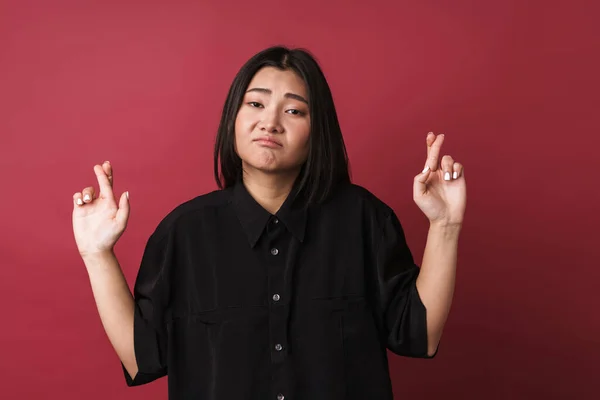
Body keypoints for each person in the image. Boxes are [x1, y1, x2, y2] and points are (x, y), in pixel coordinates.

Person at [72, 46, 466, 400]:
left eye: (294, 110)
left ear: (318, 131)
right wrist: (97, 254)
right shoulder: (184, 233)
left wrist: (445, 226)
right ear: (233, 119)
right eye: (256, 105)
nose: (271, 122)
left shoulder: (364, 220)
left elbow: (420, 334)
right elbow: (142, 357)